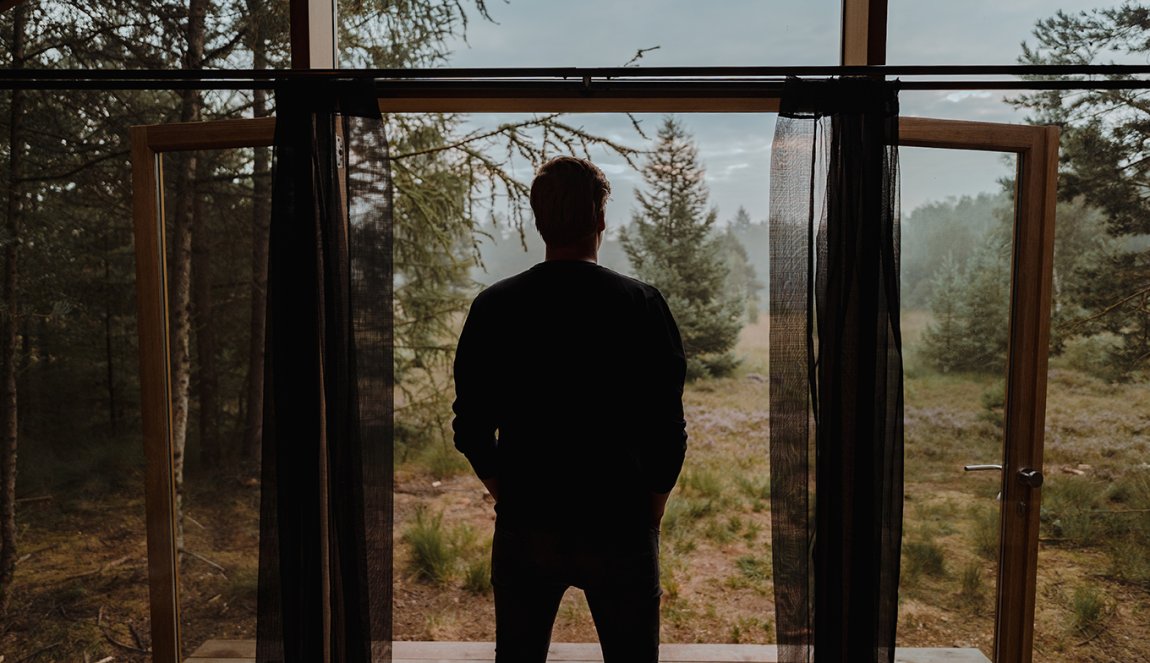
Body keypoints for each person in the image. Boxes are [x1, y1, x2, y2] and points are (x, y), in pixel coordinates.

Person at [452, 155, 688, 662]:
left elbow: (470, 428)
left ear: (538, 221)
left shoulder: (494, 307)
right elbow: (668, 428)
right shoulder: (643, 304)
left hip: (527, 521)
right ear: (601, 219)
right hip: (621, 520)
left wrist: (507, 494)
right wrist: (652, 510)